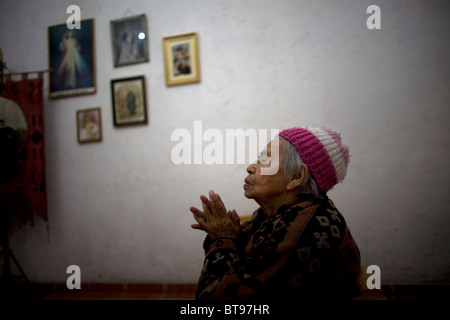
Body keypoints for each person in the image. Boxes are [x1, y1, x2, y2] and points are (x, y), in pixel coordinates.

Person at [190, 127, 363, 300]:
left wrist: (223, 238)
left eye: (265, 160)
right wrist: (232, 236)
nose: (250, 167)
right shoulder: (281, 212)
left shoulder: (307, 231)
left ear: (297, 176)